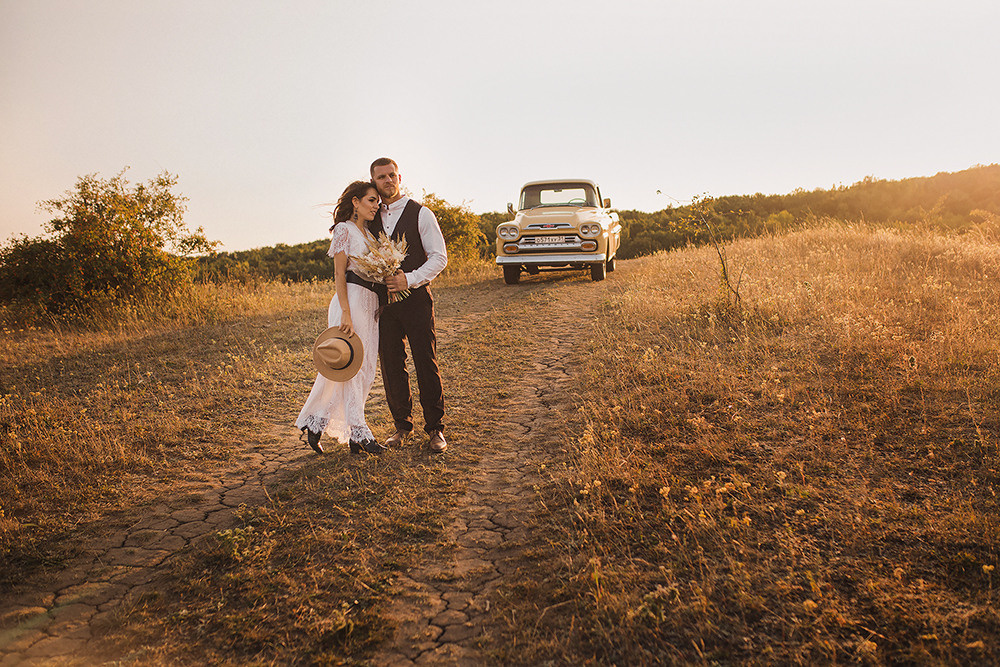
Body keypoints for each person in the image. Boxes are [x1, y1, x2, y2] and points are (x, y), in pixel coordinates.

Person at [296, 180, 386, 456]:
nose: (376, 205)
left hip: (370, 303)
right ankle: (359, 432)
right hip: (351, 300)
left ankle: (316, 422)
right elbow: (338, 274)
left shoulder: (370, 234)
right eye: (371, 200)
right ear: (355, 202)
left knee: (363, 367)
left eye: (377, 202)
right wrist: (345, 312)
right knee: (350, 367)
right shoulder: (344, 231)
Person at [368, 157, 449, 452]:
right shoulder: (369, 215)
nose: (388, 180)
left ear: (399, 178)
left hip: (416, 300)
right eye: (381, 177)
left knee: (425, 361)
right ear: (373, 181)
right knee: (391, 365)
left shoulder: (421, 213)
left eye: (392, 175)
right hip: (383, 304)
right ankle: (402, 426)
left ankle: (436, 429)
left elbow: (439, 257)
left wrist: (410, 279)